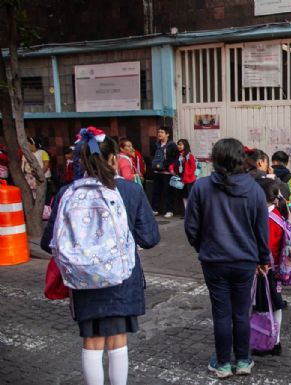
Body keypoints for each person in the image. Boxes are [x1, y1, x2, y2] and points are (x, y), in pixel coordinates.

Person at [40, 127, 160, 385]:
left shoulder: (65, 193)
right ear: (114, 159)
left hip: (83, 280)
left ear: (80, 162)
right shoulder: (130, 191)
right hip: (122, 279)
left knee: (91, 341)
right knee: (118, 340)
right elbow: (150, 239)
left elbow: (47, 242)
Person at [184, 138, 269, 378]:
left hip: (214, 260)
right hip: (245, 261)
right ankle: (242, 361)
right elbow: (261, 229)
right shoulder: (254, 189)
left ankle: (222, 364)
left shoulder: (201, 187)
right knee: (242, 313)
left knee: (221, 313)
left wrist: (203, 246)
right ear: (241, 159)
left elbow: (191, 227)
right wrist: (263, 257)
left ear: (215, 158)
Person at [253, 178, 287, 356]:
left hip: (264, 268)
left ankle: (264, 341)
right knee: (276, 305)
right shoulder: (280, 214)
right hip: (277, 268)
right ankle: (276, 341)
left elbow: (264, 245)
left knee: (261, 306)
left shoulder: (265, 219)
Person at [151, 126, 179, 218]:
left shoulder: (172, 145)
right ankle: (154, 209)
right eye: (159, 132)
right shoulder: (156, 144)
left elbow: (175, 159)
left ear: (167, 134)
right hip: (157, 172)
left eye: (162, 132)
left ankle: (169, 210)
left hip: (167, 173)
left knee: (168, 192)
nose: (159, 134)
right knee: (156, 191)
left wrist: (164, 165)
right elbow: (153, 156)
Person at [176, 139, 197, 208]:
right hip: (182, 179)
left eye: (181, 144)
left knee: (190, 196)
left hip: (189, 180)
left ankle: (191, 212)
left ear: (185, 145)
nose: (179, 146)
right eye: (178, 144)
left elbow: (193, 167)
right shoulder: (180, 155)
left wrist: (188, 175)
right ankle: (187, 211)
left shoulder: (189, 155)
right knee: (184, 196)